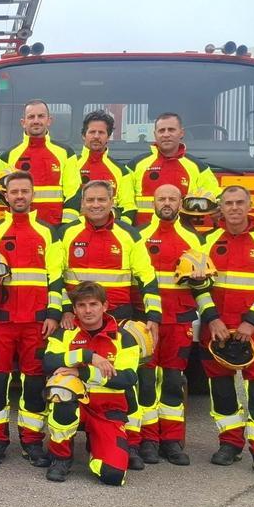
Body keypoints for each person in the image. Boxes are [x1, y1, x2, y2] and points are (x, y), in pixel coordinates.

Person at [51, 179, 160, 469]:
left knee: (131, 384)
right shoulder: (67, 233)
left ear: (112, 202)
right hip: (76, 320)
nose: (96, 205)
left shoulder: (129, 235)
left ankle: (133, 444)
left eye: (102, 200)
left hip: (120, 322)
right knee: (65, 378)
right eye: (90, 200)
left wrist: (153, 318)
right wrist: (63, 309)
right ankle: (63, 448)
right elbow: (55, 277)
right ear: (82, 203)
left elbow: (147, 277)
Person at [196, 185, 254, 479]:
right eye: (228, 203)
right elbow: (197, 283)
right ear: (220, 208)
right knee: (221, 389)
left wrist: (252, 321)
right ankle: (230, 443)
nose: (234, 208)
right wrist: (211, 318)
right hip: (217, 328)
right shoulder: (206, 240)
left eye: (239, 202)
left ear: (250, 205)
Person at [0, 171, 62, 465]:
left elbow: (56, 278)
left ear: (33, 194)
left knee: (34, 384)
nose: (20, 196)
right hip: (0, 321)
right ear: (6, 196)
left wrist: (53, 313)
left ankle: (32, 441)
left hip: (37, 322)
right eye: (14, 192)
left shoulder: (49, 232)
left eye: (25, 191)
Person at [42, 281, 141, 485]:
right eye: (81, 306)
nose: (88, 311)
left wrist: (83, 371)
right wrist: (87, 355)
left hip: (107, 410)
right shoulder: (64, 333)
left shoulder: (124, 337)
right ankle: (61, 458)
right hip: (75, 405)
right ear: (75, 309)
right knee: (61, 389)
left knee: (113, 476)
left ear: (105, 306)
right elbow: (49, 361)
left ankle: (96, 448)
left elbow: (128, 377)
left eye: (93, 304)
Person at [133, 184, 204, 466]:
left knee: (174, 381)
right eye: (161, 198)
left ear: (180, 203)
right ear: (152, 202)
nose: (166, 202)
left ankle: (172, 441)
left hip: (179, 319)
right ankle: (149, 439)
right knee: (146, 382)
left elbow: (203, 281)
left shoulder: (193, 238)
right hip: (146, 320)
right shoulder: (138, 236)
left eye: (172, 198)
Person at [127, 112, 220, 226]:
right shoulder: (136, 166)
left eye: (171, 130)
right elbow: (126, 203)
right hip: (143, 237)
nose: (166, 134)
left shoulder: (198, 168)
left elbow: (216, 198)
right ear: (155, 134)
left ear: (181, 133)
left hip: (183, 237)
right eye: (162, 130)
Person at [2, 99, 76, 225]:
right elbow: (2, 196)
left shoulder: (66, 153)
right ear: (23, 122)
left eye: (41, 116)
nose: (36, 121)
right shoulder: (8, 156)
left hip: (56, 228)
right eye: (31, 117)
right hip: (20, 227)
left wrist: (66, 226)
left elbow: (74, 193)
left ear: (49, 121)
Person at [65, 110, 135, 222]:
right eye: (92, 132)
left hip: (109, 234)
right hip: (77, 234)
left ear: (108, 136)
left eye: (101, 132)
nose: (96, 136)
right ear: (84, 135)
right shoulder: (70, 165)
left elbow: (128, 207)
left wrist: (119, 230)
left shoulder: (121, 171)